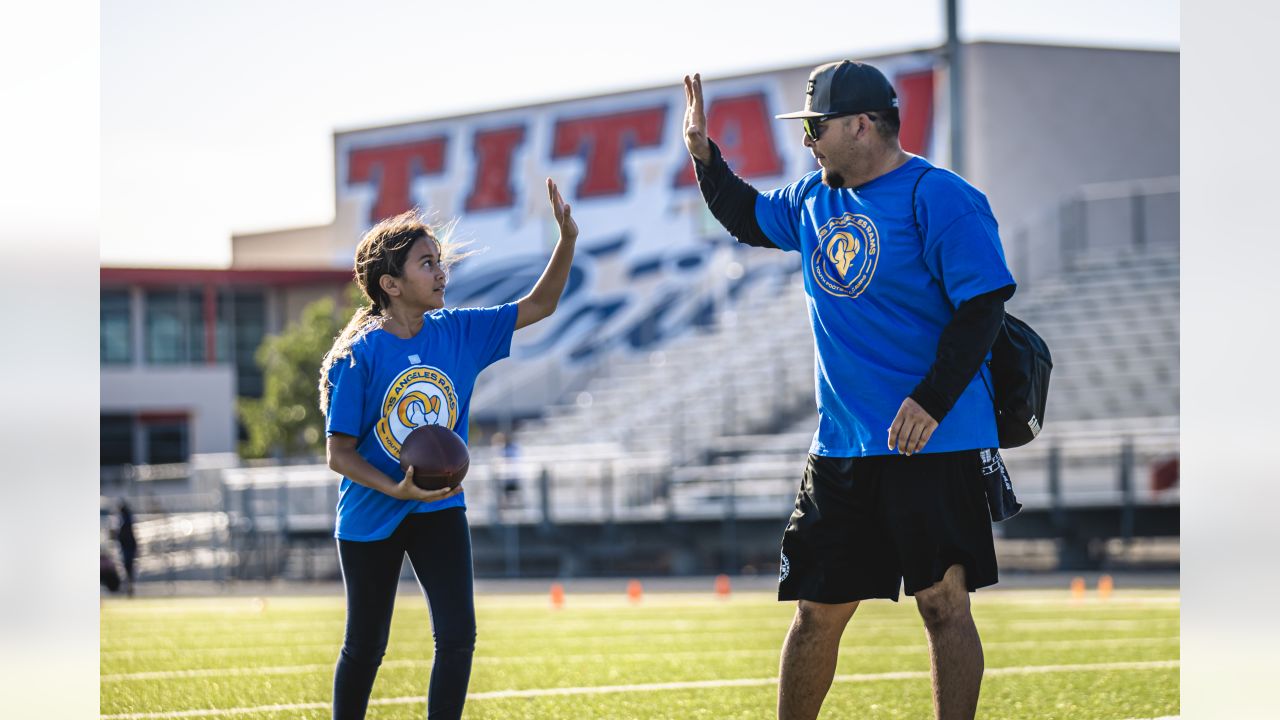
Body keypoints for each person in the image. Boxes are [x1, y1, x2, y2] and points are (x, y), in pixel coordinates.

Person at [682, 61, 1016, 720]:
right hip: (842, 448)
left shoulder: (940, 195)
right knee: (814, 612)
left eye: (816, 125)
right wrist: (704, 157)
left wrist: (931, 399)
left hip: (936, 440)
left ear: (863, 124)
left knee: (943, 604)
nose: (808, 141)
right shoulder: (812, 198)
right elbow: (746, 216)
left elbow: (984, 307)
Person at [318, 179, 578, 720]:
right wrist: (395, 486)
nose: (441, 272)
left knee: (458, 636)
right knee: (366, 646)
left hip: (438, 506)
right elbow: (338, 454)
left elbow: (542, 303)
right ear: (390, 283)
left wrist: (567, 237)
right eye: (426, 264)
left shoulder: (459, 331)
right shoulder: (358, 355)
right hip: (371, 513)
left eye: (439, 260)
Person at [116, 499, 137, 597]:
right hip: (128, 547)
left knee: (128, 568)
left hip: (128, 547)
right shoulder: (126, 519)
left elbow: (124, 535)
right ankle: (128, 588)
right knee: (128, 569)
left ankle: (129, 588)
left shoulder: (125, 520)